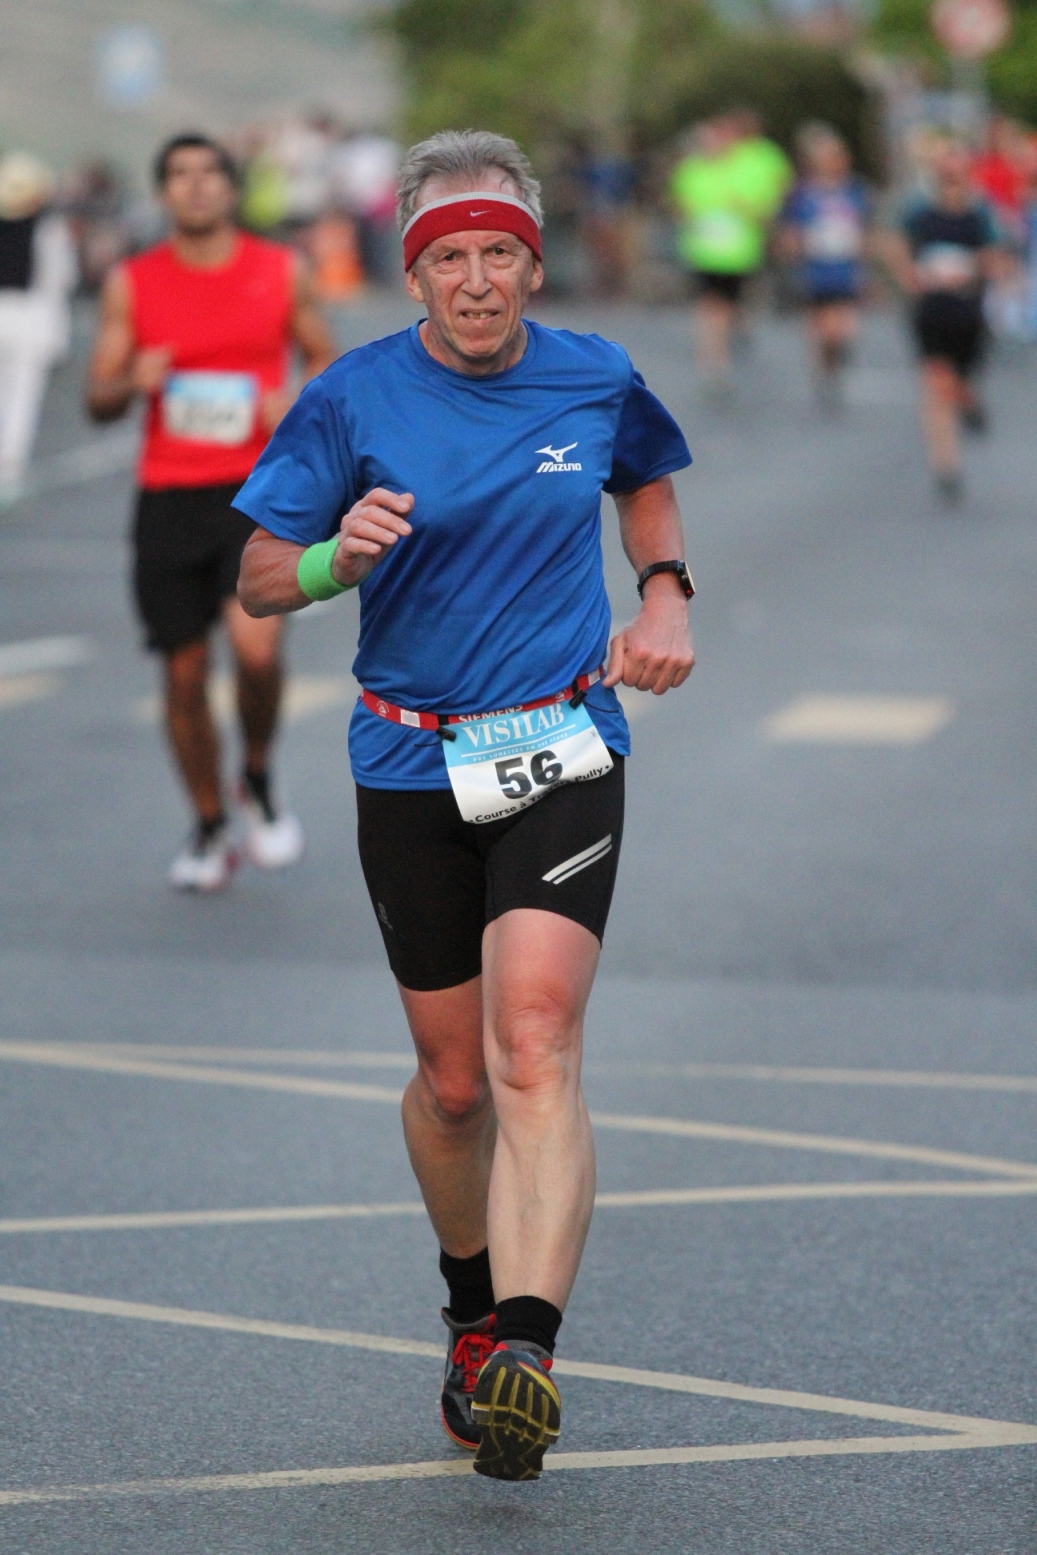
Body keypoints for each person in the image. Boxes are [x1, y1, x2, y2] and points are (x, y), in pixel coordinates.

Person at [236, 128, 695, 1480]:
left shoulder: (594, 374)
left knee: (532, 1043)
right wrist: (331, 559)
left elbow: (644, 476)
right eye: (452, 258)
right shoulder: (351, 395)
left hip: (561, 737)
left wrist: (664, 592)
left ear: (533, 267)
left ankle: (526, 1354)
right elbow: (257, 574)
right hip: (408, 759)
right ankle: (471, 1310)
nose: (479, 279)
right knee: (451, 1086)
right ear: (415, 274)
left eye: (502, 253)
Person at [86, 132, 337, 890]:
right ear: (163, 192)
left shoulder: (280, 270)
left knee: (256, 652)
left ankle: (255, 773)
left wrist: (298, 399)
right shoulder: (132, 282)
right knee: (184, 671)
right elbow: (97, 398)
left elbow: (325, 358)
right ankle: (208, 823)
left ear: (232, 189)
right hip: (170, 495)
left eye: (209, 174)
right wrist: (132, 379)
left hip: (259, 492)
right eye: (179, 175)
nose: (196, 187)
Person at [884, 138, 1003, 505]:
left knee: (958, 384)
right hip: (931, 313)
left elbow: (996, 258)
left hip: (968, 315)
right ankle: (946, 466)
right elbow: (893, 244)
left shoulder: (980, 213)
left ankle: (970, 403)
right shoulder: (918, 211)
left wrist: (971, 272)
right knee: (937, 387)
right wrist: (910, 276)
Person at [670, 111, 791, 398]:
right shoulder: (691, 170)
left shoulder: (749, 165)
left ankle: (734, 332)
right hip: (704, 254)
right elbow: (679, 205)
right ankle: (714, 362)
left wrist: (755, 215)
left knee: (730, 307)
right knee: (711, 308)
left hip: (740, 255)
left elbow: (767, 201)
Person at [0, 153, 77, 500]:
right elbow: (61, 280)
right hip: (29, 319)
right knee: (21, 396)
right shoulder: (50, 230)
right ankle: (9, 465)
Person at [779, 123, 870, 409]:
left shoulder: (855, 190)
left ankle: (832, 362)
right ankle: (824, 370)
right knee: (823, 329)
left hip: (846, 270)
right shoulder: (802, 194)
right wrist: (794, 249)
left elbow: (866, 229)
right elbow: (790, 231)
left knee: (845, 330)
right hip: (816, 270)